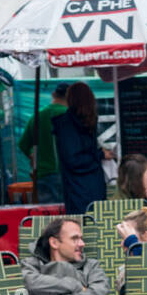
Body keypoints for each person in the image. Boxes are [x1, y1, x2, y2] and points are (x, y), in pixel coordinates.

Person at [52, 82, 113, 216]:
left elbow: (72, 159)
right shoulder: (85, 122)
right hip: (93, 186)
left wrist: (98, 154)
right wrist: (99, 154)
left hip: (76, 190)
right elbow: (73, 160)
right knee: (97, 225)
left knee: (82, 228)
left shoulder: (66, 124)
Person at [18, 83, 67, 204]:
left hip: (42, 174)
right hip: (66, 174)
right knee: (67, 215)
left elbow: (23, 144)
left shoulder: (37, 116)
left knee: (46, 216)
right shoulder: (70, 115)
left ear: (53, 94)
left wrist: (32, 155)